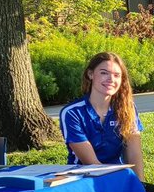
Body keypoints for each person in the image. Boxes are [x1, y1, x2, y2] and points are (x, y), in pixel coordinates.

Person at [59, 52, 148, 182]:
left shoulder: (127, 108)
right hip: (83, 179)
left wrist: (139, 185)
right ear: (90, 74)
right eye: (104, 73)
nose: (111, 79)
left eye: (117, 75)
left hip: (118, 176)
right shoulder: (72, 113)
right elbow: (92, 163)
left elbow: (134, 154)